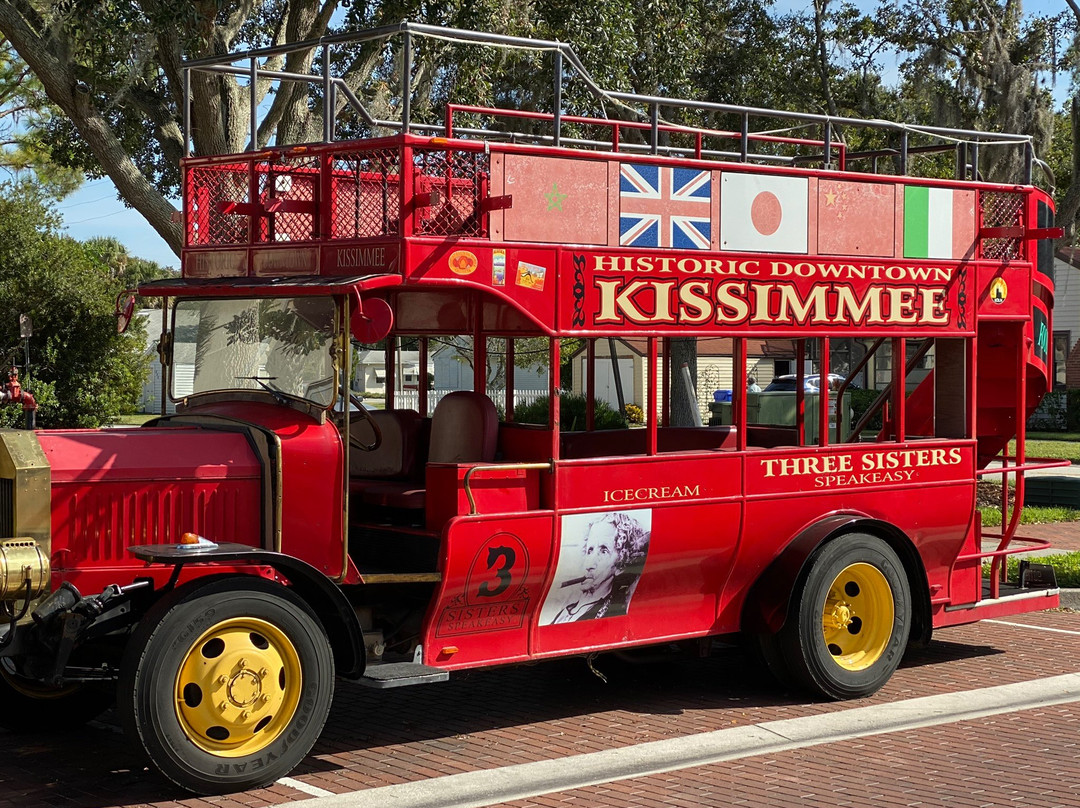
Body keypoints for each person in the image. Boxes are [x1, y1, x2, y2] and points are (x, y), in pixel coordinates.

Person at [550, 511, 650, 623]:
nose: (589, 565)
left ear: (621, 565)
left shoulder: (611, 613)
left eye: (604, 551)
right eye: (590, 550)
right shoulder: (567, 608)